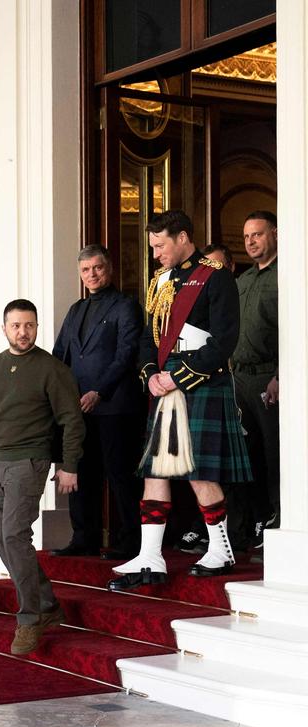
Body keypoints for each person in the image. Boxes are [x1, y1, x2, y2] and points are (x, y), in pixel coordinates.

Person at [108, 210, 252, 592]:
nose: (155, 254)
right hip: (165, 383)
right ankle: (150, 556)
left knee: (200, 470)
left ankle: (220, 551)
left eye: (160, 245)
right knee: (156, 470)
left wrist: (178, 375)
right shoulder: (160, 281)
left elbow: (224, 341)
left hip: (200, 381)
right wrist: (150, 373)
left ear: (184, 237)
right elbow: (147, 337)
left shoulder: (215, 276)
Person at [0, 299, 85, 655]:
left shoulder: (52, 369)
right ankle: (47, 605)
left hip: (30, 462)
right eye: (16, 325)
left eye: (29, 325)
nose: (23, 332)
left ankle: (29, 619)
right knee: (4, 542)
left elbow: (72, 421)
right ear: (4, 329)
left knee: (15, 536)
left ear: (37, 327)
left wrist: (70, 465)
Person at [51, 245, 145, 560]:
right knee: (81, 472)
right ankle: (84, 538)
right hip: (78, 408)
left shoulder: (126, 305)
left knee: (120, 475)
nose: (92, 274)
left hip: (115, 406)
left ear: (109, 269)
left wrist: (99, 392)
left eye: (97, 268)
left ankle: (131, 541)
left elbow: (126, 355)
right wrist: (55, 396)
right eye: (86, 270)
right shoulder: (76, 310)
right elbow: (59, 355)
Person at [174, 242, 235, 556]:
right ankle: (199, 534)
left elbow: (224, 340)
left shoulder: (222, 283)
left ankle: (223, 545)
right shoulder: (167, 282)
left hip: (216, 379)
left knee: (207, 469)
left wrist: (181, 374)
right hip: (178, 383)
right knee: (169, 472)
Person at [230, 212, 279, 549]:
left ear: (274, 234)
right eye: (247, 236)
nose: (250, 242)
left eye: (257, 234)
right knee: (245, 456)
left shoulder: (288, 275)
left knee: (274, 454)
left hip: (269, 377)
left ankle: (280, 521)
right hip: (239, 379)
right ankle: (252, 524)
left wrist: (280, 375)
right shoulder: (243, 280)